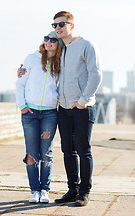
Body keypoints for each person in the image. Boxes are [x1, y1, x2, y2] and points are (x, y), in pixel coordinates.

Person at [18, 11, 102, 207]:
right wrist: (21, 71)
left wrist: (82, 100)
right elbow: (41, 63)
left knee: (83, 150)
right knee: (67, 150)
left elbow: (95, 75)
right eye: (55, 24)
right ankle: (72, 189)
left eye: (62, 24)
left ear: (71, 25)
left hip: (82, 107)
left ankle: (84, 192)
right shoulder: (61, 48)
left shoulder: (86, 45)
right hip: (62, 108)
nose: (58, 27)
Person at [16, 31, 64, 203]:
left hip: (50, 112)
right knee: (31, 153)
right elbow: (20, 82)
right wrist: (22, 105)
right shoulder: (31, 58)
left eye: (53, 40)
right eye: (46, 38)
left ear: (59, 44)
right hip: (30, 113)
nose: (48, 42)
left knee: (46, 154)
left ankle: (45, 190)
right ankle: (34, 190)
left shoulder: (61, 61)